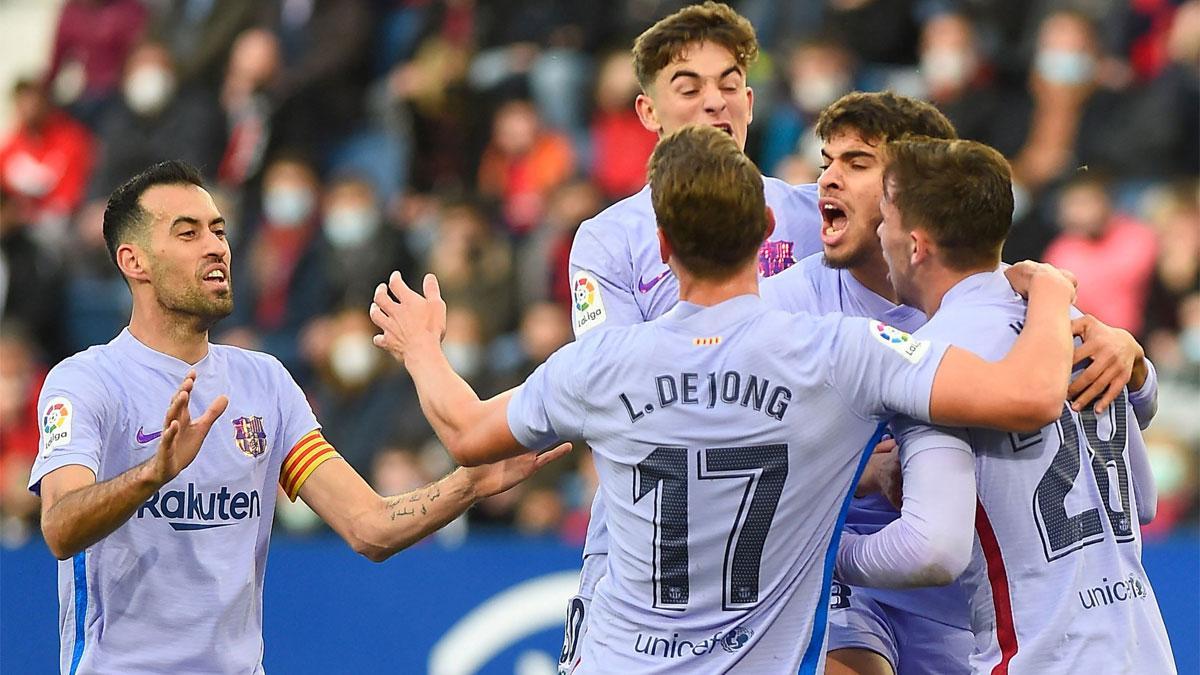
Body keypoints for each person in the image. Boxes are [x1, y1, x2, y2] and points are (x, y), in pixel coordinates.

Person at [369, 124, 1079, 673]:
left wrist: (422, 348)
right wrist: (1052, 294)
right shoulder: (841, 352)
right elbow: (1029, 393)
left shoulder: (601, 362)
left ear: (664, 243)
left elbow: (465, 432)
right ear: (770, 231)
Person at [28, 160, 565, 674]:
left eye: (218, 230)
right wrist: (151, 475)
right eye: (188, 233)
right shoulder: (88, 382)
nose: (216, 246)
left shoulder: (265, 383)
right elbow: (59, 528)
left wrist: (468, 484)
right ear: (134, 261)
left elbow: (368, 526)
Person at [760, 91, 1159, 675]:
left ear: (912, 228)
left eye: (859, 164)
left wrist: (1135, 364)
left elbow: (933, 547)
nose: (828, 181)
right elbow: (1139, 497)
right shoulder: (1046, 315)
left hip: (1011, 632)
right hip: (1135, 643)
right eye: (828, 162)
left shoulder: (930, 356)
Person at [564, 6, 822, 666]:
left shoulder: (813, 216)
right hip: (651, 552)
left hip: (786, 545)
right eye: (689, 86)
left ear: (752, 102)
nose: (715, 101)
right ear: (649, 113)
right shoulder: (608, 239)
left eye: (729, 83)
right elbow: (612, 386)